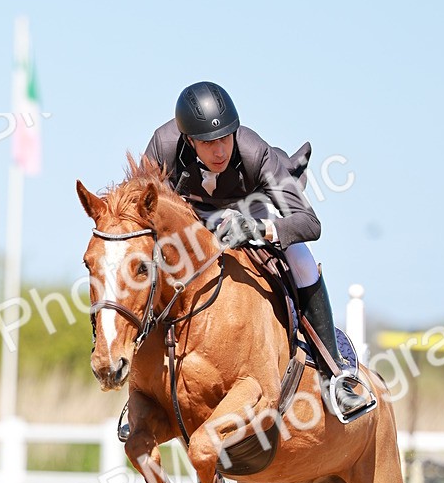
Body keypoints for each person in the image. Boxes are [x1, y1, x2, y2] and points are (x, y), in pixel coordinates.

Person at [143, 81, 373, 420]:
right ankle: (142, 386)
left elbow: (310, 223)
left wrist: (257, 229)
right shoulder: (163, 145)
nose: (220, 151)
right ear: (189, 140)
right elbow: (142, 213)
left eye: (225, 138)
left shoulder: (254, 152)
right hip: (191, 215)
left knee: (301, 259)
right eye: (208, 143)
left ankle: (334, 374)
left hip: (252, 207)